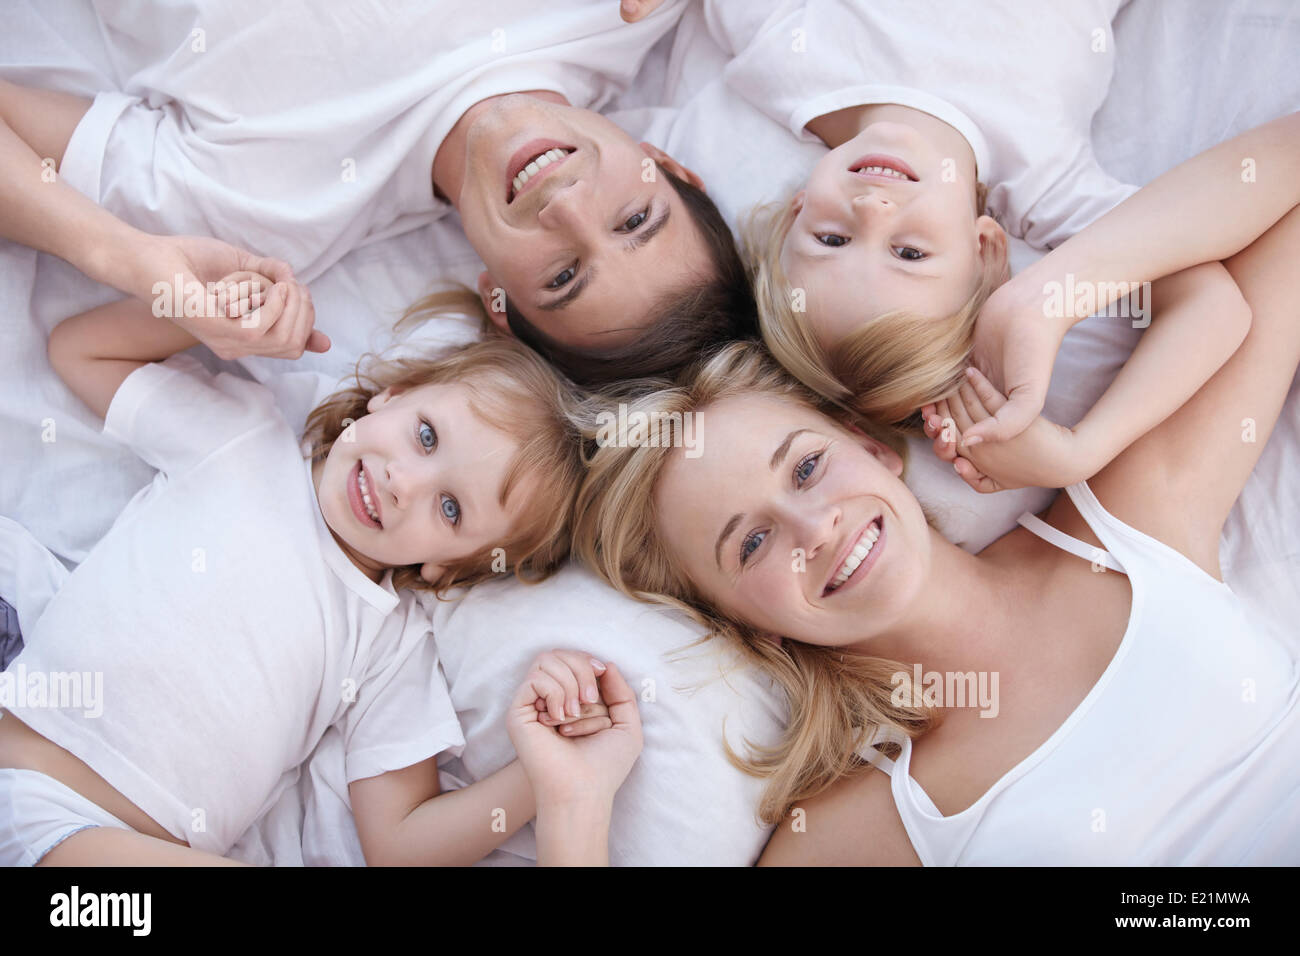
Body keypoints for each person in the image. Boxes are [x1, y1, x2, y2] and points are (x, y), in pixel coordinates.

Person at [568, 126, 1300, 862]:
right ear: (746, 624)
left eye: (806, 469)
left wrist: (1039, 300)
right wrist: (575, 807)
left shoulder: (1122, 533)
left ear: (875, 450)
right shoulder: (863, 827)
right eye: (752, 543)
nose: (813, 529)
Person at [0, 282, 609, 865]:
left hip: (84, 834)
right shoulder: (243, 438)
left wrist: (540, 776)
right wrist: (219, 314)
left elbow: (398, 844)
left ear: (448, 565)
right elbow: (79, 348)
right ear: (393, 394)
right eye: (426, 436)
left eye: (450, 508)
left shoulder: (388, 642)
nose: (405, 484)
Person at [0, 0, 755, 386]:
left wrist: (124, 256)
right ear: (668, 165)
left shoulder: (273, 211)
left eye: (563, 276)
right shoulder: (628, 12)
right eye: (633, 219)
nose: (565, 208)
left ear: (502, 305)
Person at [725, 0, 1272, 496]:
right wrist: (1081, 451)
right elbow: (1212, 305)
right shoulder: (1045, 184)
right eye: (909, 253)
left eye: (832, 239)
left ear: (797, 210)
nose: (873, 209)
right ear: (986, 250)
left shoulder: (783, 57)